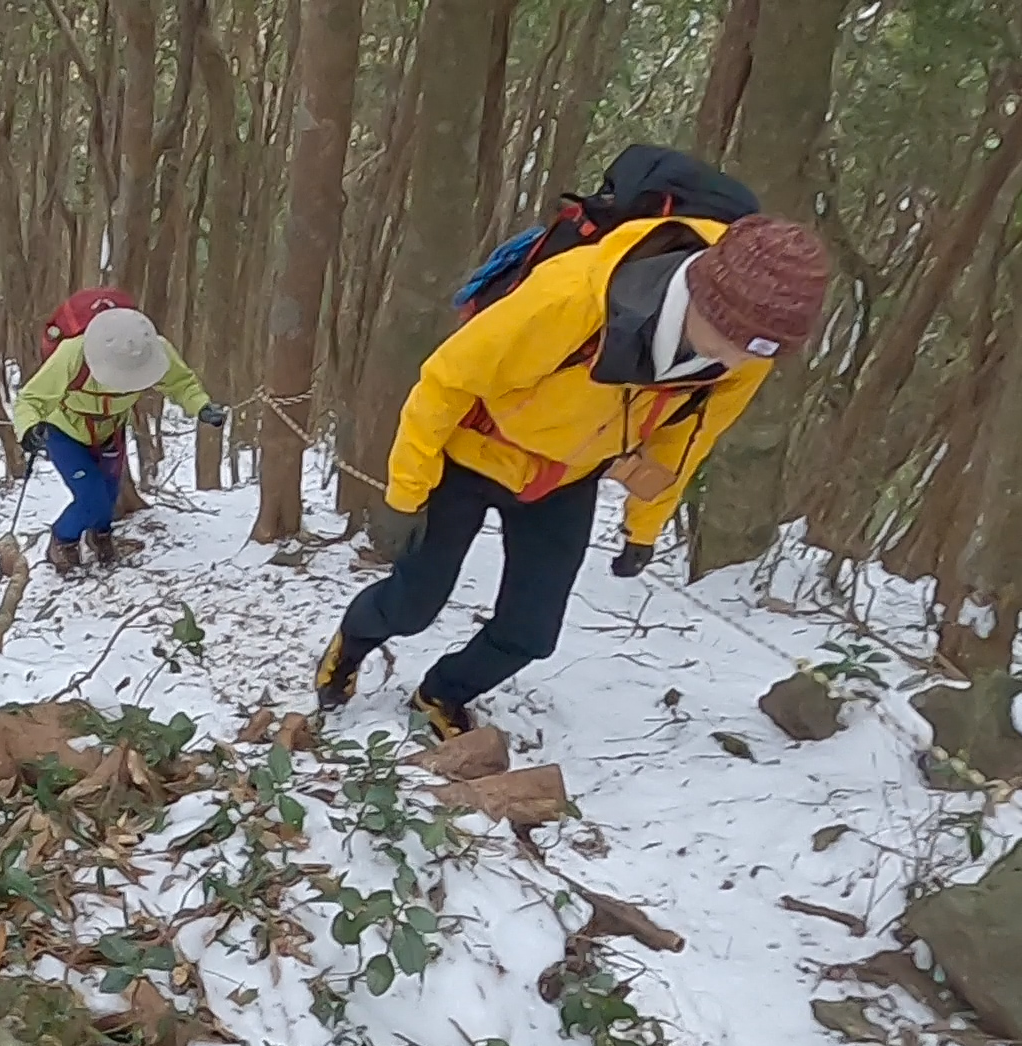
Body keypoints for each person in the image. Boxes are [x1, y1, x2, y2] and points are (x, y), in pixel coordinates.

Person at [314, 213, 831, 738]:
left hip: (565, 479)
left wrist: (644, 527)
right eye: (727, 340)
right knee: (413, 604)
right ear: (700, 294)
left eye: (755, 352)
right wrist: (406, 495)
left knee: (531, 633)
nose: (733, 361)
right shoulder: (571, 298)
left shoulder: (749, 353)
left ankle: (442, 693)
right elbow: (444, 384)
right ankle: (351, 646)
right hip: (470, 455)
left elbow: (686, 440)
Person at [14, 297, 228, 572]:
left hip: (111, 429)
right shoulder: (74, 352)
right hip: (64, 429)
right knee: (91, 495)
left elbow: (181, 382)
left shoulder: (154, 350)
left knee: (110, 491)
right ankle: (62, 540)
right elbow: (31, 398)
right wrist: (29, 429)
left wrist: (201, 406)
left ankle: (100, 534)